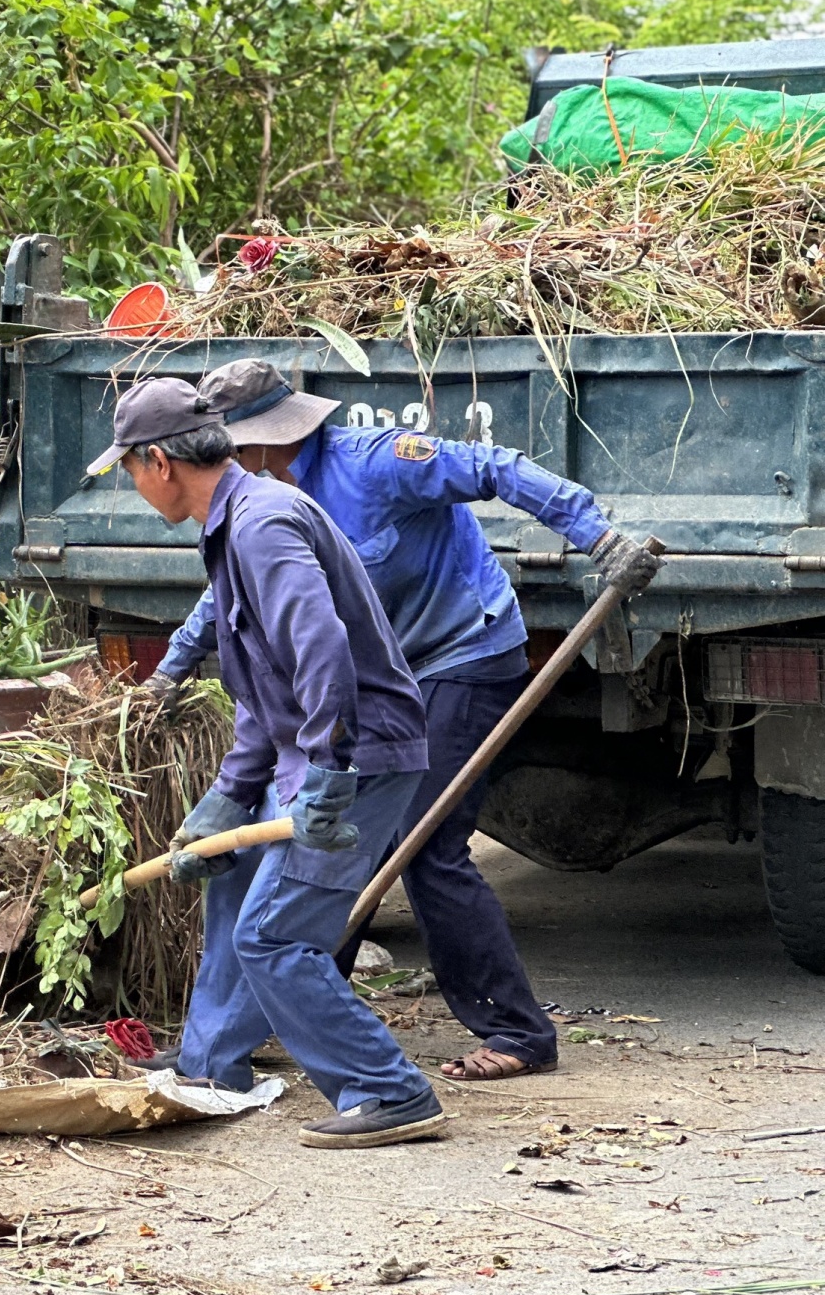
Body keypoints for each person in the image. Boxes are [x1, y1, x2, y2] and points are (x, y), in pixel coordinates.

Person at [146, 358, 658, 1081]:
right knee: (329, 851)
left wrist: (598, 538)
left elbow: (495, 466)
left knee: (422, 843)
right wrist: (173, 666)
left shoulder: (375, 464)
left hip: (460, 655)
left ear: (260, 440)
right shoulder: (256, 506)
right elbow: (238, 597)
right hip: (369, 681)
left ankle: (516, 1031)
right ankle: (297, 1014)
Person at [95, 376, 447, 1149]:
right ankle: (211, 1065)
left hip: (358, 758)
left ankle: (390, 1091)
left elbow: (319, 646)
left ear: (158, 461)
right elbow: (261, 677)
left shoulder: (262, 524)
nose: (134, 483)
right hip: (309, 754)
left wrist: (329, 765)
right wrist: (231, 792)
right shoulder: (232, 521)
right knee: (236, 893)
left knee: (276, 936)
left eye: (129, 469)